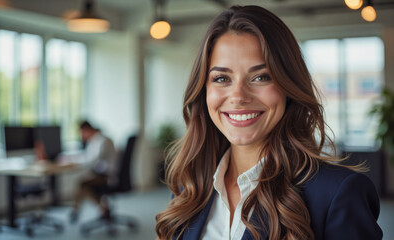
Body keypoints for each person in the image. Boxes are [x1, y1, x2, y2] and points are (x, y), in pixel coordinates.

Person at [155, 5, 383, 240]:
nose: (238, 96)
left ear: (288, 86)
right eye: (222, 78)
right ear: (203, 91)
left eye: (261, 77)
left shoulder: (337, 193)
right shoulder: (189, 188)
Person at [70, 120, 119, 222]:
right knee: (83, 183)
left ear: (86, 130)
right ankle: (102, 208)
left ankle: (77, 208)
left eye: (82, 133)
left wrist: (76, 162)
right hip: (99, 173)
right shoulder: (94, 141)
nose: (82, 136)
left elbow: (93, 159)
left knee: (83, 184)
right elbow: (87, 157)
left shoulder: (103, 140)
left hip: (108, 176)